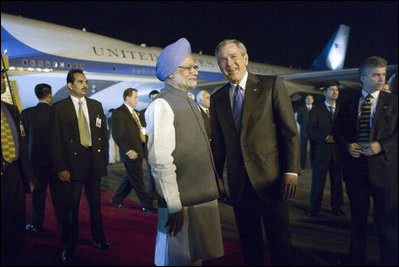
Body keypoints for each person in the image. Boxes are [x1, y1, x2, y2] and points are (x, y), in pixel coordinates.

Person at [210, 39, 300, 265]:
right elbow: (219, 144)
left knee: (280, 243)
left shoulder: (271, 85)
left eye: (233, 57)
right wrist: (216, 176)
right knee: (249, 244)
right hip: (239, 184)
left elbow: (289, 132)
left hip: (271, 180)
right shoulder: (218, 98)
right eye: (223, 60)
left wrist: (291, 171)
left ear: (245, 59)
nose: (229, 64)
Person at [145, 37, 223, 266]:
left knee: (195, 257)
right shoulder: (162, 105)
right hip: (182, 203)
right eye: (188, 68)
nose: (195, 72)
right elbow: (160, 162)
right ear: (170, 73)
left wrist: (215, 179)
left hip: (201, 198)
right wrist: (173, 205)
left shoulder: (189, 101)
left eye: (194, 67)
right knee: (176, 258)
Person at [335, 56, 397, 265]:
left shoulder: (393, 102)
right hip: (356, 172)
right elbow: (337, 132)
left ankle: (389, 259)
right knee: (357, 220)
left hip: (384, 172)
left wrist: (382, 146)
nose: (381, 79)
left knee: (387, 223)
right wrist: (347, 145)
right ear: (363, 77)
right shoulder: (347, 101)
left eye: (383, 75)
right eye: (376, 75)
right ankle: (355, 257)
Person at [51, 69, 111, 263]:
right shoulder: (59, 108)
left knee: (96, 206)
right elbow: (56, 140)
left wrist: (103, 161)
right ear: (70, 85)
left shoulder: (96, 105)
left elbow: (101, 136)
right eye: (79, 82)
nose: (84, 85)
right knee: (71, 208)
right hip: (71, 165)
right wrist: (61, 167)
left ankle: (99, 238)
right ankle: (69, 245)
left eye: (85, 81)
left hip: (93, 163)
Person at [1, 69, 35, 265]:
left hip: (14, 174)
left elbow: (22, 145)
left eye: (3, 77)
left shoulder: (11, 110)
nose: (3, 81)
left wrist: (28, 177)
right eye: (0, 78)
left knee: (15, 221)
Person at [109, 88, 156, 213]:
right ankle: (147, 205)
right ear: (127, 97)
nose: (137, 99)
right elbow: (117, 135)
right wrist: (128, 150)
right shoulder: (119, 113)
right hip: (130, 152)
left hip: (140, 150)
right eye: (135, 97)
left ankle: (117, 199)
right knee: (137, 179)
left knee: (131, 178)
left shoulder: (136, 113)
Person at [22, 83, 61, 233]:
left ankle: (36, 224)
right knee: (59, 196)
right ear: (50, 95)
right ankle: (63, 223)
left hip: (36, 162)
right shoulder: (57, 113)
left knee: (38, 195)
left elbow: (23, 140)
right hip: (55, 162)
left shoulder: (27, 113)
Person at [305, 82, 345, 217]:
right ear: (325, 92)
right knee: (318, 182)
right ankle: (315, 206)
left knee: (337, 182)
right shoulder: (317, 110)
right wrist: (325, 137)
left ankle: (337, 206)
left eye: (337, 90)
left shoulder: (342, 109)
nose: (335, 92)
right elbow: (310, 129)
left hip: (338, 153)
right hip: (321, 153)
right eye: (332, 90)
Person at [142, 89, 159, 200]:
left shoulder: (164, 110)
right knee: (151, 170)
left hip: (162, 144)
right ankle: (152, 193)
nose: (155, 100)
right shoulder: (144, 112)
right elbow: (142, 129)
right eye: (153, 98)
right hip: (149, 145)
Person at [296, 94, 314, 169]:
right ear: (305, 100)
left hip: (313, 131)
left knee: (314, 149)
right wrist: (304, 126)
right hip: (304, 132)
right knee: (303, 149)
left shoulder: (316, 109)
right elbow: (299, 119)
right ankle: (302, 165)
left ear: (313, 100)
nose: (309, 99)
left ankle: (313, 164)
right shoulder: (301, 109)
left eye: (310, 98)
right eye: (307, 98)